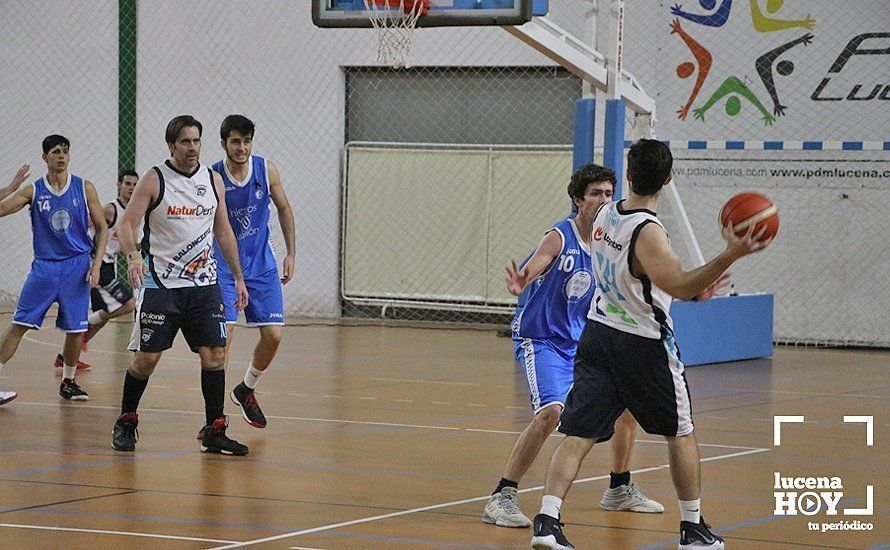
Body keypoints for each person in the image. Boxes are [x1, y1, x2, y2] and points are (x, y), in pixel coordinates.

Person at [531, 139, 769, 550]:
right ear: (669, 178)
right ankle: (693, 529)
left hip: (598, 334)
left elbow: (647, 277)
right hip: (642, 343)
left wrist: (693, 286)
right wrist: (730, 254)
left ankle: (547, 521)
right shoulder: (649, 231)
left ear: (627, 176)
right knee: (681, 433)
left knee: (579, 435)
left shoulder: (605, 213)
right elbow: (673, 281)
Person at [483, 164, 663, 529]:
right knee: (550, 413)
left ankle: (618, 488)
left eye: (609, 194)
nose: (604, 200)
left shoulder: (608, 238)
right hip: (543, 340)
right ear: (578, 199)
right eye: (596, 193)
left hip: (584, 342)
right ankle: (502, 495)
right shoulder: (559, 236)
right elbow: (535, 265)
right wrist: (523, 280)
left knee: (626, 408)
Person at [111, 115, 250, 456]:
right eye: (185, 142)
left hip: (204, 285)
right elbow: (127, 225)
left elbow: (223, 231)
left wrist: (238, 275)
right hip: (162, 285)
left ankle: (214, 430)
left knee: (216, 354)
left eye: (196, 141)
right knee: (147, 358)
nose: (192, 148)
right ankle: (126, 421)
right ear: (172, 145)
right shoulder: (155, 179)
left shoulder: (212, 179)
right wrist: (132, 258)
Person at [0, 137, 108, 405]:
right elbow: (1, 209)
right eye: (55, 152)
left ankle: (68, 382)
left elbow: (103, 228)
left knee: (76, 328)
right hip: (45, 267)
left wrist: (96, 266)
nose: (61, 156)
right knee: (19, 324)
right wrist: (10, 188)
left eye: (65, 152)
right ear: (44, 158)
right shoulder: (33, 190)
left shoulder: (84, 187)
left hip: (77, 265)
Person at [210, 114, 296, 431]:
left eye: (246, 141)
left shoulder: (266, 169)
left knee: (273, 335)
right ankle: (215, 415)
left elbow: (284, 208)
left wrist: (291, 253)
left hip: (261, 265)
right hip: (224, 269)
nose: (242, 147)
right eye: (235, 141)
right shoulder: (214, 177)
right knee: (223, 341)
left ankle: (246, 388)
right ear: (223, 144)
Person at [54, 169, 140, 370]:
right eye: (127, 184)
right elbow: (85, 224)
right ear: (119, 185)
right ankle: (81, 334)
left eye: (135, 185)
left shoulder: (134, 213)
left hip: (109, 266)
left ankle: (65, 356)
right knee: (128, 305)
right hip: (96, 264)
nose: (131, 188)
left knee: (105, 311)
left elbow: (132, 242)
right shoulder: (111, 209)